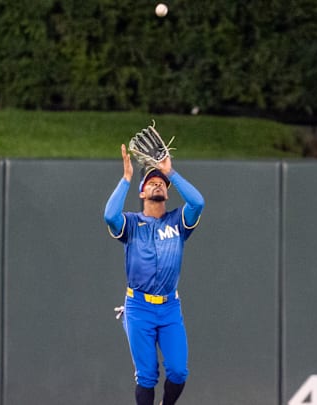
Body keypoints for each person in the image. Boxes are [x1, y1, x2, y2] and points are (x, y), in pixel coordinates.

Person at [104, 143, 205, 405]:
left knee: (179, 371)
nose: (158, 184)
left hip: (170, 307)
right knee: (147, 376)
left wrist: (170, 173)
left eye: (161, 183)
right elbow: (109, 215)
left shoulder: (177, 222)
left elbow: (198, 202)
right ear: (142, 191)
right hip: (139, 305)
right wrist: (126, 179)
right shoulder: (132, 223)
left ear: (168, 194)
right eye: (151, 182)